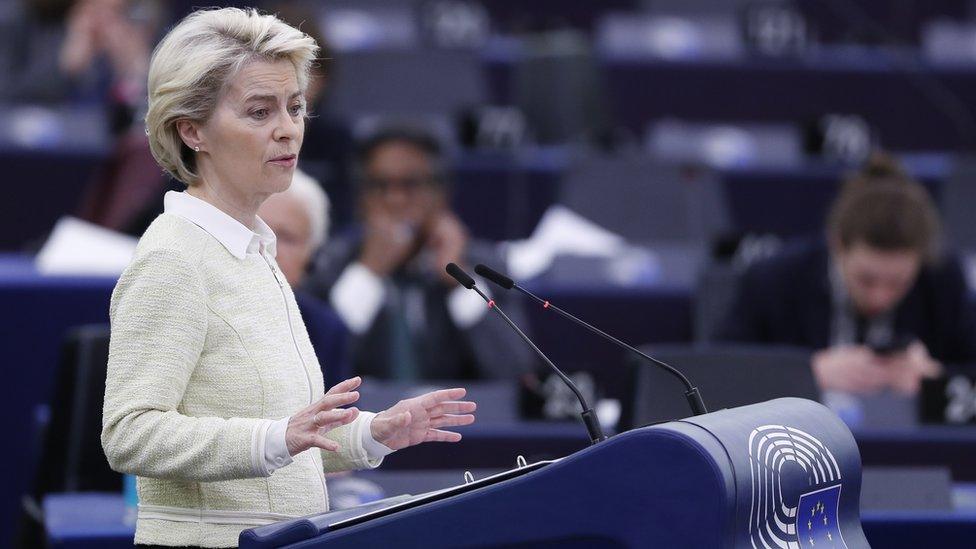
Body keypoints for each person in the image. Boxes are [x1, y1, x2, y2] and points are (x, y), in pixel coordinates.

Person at [101, 9, 476, 548]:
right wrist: (275, 437)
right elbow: (129, 435)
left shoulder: (254, 251)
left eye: (295, 107)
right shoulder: (173, 258)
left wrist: (374, 433)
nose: (288, 128)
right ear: (192, 129)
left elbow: (286, 443)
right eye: (260, 111)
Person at [717, 153, 976, 395]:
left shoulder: (942, 279)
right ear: (837, 245)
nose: (880, 298)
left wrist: (936, 382)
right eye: (866, 280)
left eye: (898, 283)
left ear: (920, 259)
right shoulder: (774, 280)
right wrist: (806, 374)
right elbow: (718, 377)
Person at [303, 126, 535, 380]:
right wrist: (368, 272)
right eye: (379, 185)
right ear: (361, 198)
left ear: (440, 194)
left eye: (410, 184)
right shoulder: (329, 263)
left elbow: (516, 373)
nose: (395, 200)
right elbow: (312, 372)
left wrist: (458, 282)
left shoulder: (484, 265)